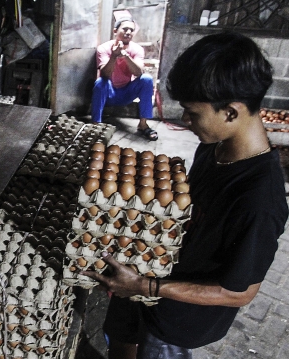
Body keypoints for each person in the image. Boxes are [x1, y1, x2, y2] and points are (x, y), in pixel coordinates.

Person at [82, 31, 289, 359]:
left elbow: (239, 292)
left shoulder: (259, 200)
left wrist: (146, 287)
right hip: (147, 278)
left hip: (178, 316)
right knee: (120, 338)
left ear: (231, 113)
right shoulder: (216, 146)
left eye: (193, 112)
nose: (184, 120)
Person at [91, 17, 157, 141]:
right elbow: (105, 74)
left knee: (147, 79)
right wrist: (114, 56)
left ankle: (143, 124)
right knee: (100, 82)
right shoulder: (104, 48)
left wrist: (126, 56)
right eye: (125, 29)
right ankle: (96, 124)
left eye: (131, 30)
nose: (128, 32)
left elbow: (138, 72)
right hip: (109, 94)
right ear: (115, 31)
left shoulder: (136, 49)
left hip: (127, 92)